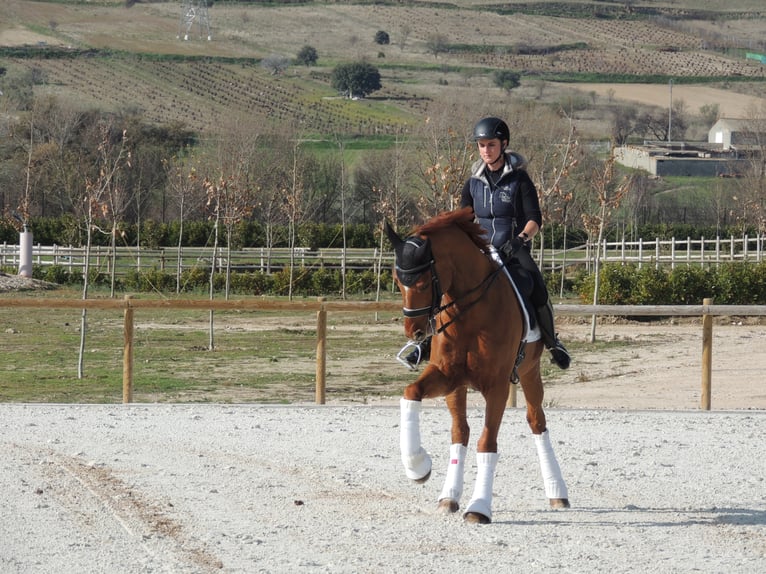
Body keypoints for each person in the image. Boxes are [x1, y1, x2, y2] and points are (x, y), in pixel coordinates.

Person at [405, 116, 570, 370]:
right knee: (444, 286)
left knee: (537, 286)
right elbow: (462, 220)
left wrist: (519, 241)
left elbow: (534, 220)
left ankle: (552, 342)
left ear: (503, 144)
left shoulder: (520, 180)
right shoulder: (472, 183)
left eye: (490, 145)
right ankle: (426, 343)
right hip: (479, 252)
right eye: (481, 145)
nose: (485, 150)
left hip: (512, 250)